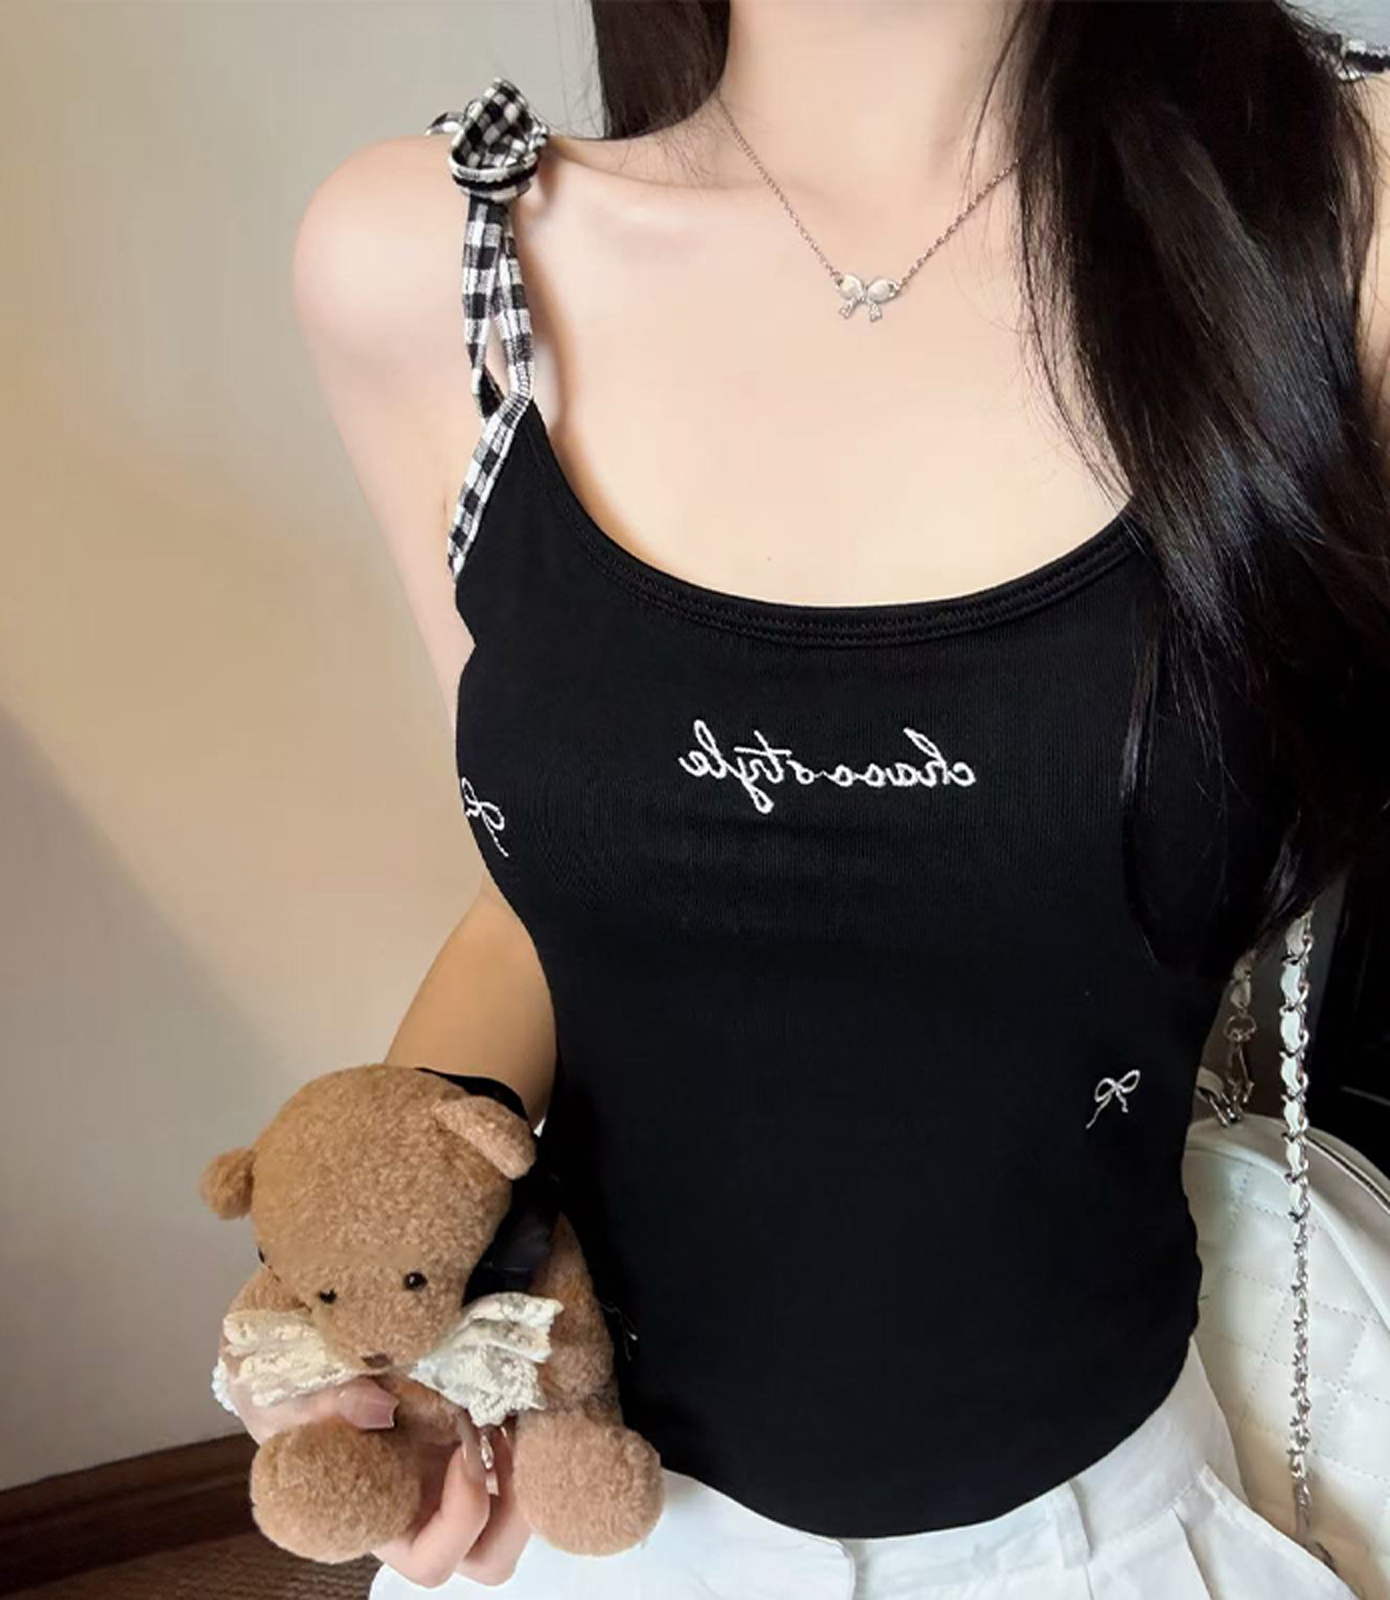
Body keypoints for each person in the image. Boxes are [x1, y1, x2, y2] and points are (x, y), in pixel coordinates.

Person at [225, 3, 1390, 1594]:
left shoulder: (1343, 219)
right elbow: (541, 891)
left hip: (1097, 1526)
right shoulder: (430, 262)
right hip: (613, 1516)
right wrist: (380, 1270)